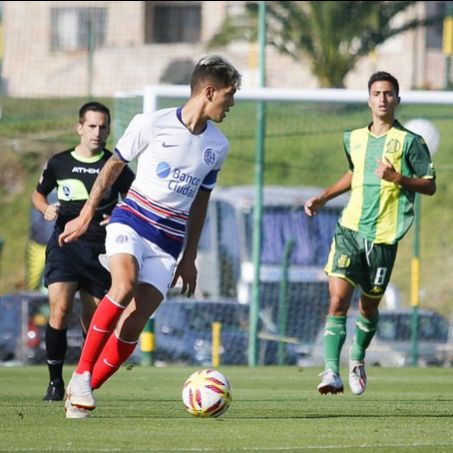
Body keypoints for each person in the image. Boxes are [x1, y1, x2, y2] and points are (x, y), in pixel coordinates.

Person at [58, 55, 241, 418]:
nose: (232, 103)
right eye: (229, 94)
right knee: (123, 286)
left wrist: (189, 257)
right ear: (209, 91)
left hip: (169, 242)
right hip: (131, 221)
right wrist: (87, 213)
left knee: (135, 323)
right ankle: (80, 375)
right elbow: (113, 167)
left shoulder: (218, 147)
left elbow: (201, 203)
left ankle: (83, 392)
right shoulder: (151, 123)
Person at [304, 71, 436, 396]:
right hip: (349, 228)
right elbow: (353, 173)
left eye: (388, 93)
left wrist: (398, 178)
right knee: (337, 301)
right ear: (368, 99)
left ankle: (358, 357)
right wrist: (323, 197)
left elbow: (430, 185)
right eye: (377, 93)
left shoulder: (410, 142)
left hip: (383, 238)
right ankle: (331, 372)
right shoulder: (353, 138)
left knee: (368, 307)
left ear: (397, 100)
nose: (382, 99)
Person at [32, 102, 135, 401]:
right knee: (60, 307)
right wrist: (46, 209)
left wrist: (118, 214)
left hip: (100, 248)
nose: (97, 132)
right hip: (66, 243)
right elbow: (38, 194)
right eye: (92, 126)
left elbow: (133, 199)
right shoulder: (59, 163)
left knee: (94, 320)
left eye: (103, 127)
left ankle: (83, 378)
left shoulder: (116, 166)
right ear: (80, 128)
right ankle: (54, 382)